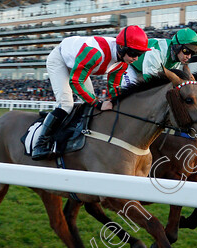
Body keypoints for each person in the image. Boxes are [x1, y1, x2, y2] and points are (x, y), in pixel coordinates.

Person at [32, 25, 151, 160]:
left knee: (88, 103)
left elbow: (114, 87)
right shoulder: (96, 53)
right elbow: (76, 82)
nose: (135, 58)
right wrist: (98, 103)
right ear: (122, 48)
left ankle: (78, 134)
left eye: (139, 54)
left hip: (79, 62)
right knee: (66, 104)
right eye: (133, 53)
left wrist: (119, 104)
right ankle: (40, 144)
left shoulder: (123, 61)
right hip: (60, 60)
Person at [122, 28, 197, 86]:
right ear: (177, 46)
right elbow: (149, 80)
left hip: (142, 71)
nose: (188, 56)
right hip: (130, 65)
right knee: (130, 90)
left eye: (192, 53)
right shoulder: (158, 51)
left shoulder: (176, 60)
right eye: (187, 51)